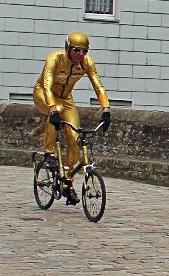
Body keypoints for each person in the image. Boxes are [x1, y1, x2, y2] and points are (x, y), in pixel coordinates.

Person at [33, 31, 111, 189]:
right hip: (43, 93)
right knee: (58, 109)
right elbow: (47, 86)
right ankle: (48, 153)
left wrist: (106, 109)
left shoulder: (87, 63)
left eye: (84, 51)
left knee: (75, 138)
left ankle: (66, 180)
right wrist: (52, 109)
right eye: (76, 50)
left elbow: (98, 86)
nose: (80, 54)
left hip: (66, 98)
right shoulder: (55, 59)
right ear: (68, 48)